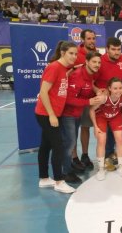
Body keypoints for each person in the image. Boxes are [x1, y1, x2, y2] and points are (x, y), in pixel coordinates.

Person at [35, 41, 77, 194]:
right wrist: (52, 114)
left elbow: (59, 83)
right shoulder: (54, 67)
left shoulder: (63, 69)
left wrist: (70, 72)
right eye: (71, 53)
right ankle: (59, 181)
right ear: (63, 52)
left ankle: (44, 178)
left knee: (45, 146)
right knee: (58, 146)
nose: (74, 56)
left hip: (51, 114)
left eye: (76, 53)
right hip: (46, 114)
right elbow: (44, 91)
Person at [60, 52, 104, 183]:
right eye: (94, 62)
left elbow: (87, 87)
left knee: (71, 141)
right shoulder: (77, 75)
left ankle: (69, 166)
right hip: (68, 114)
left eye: (99, 62)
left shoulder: (89, 74)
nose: (97, 65)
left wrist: (96, 91)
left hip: (77, 113)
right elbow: (68, 98)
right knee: (69, 143)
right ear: (87, 62)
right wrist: (88, 102)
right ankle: (65, 172)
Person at [94, 37, 122, 170]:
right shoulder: (100, 61)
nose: (117, 52)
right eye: (114, 49)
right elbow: (91, 81)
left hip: (117, 101)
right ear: (107, 49)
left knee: (116, 132)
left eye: (119, 49)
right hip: (102, 102)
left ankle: (111, 155)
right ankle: (104, 158)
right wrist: (98, 91)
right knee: (102, 135)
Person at [89, 77, 122, 181]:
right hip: (101, 117)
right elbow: (91, 110)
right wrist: (95, 127)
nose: (118, 90)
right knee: (101, 140)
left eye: (120, 88)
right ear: (109, 89)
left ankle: (120, 166)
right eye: (115, 88)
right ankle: (101, 168)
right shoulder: (103, 98)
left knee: (120, 139)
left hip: (115, 116)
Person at [72, 29, 98, 172]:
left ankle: (85, 155)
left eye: (93, 38)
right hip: (75, 100)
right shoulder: (76, 54)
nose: (92, 41)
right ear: (82, 40)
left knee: (85, 127)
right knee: (73, 130)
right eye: (89, 38)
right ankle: (74, 157)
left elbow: (93, 80)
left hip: (89, 100)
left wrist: (96, 91)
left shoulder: (96, 55)